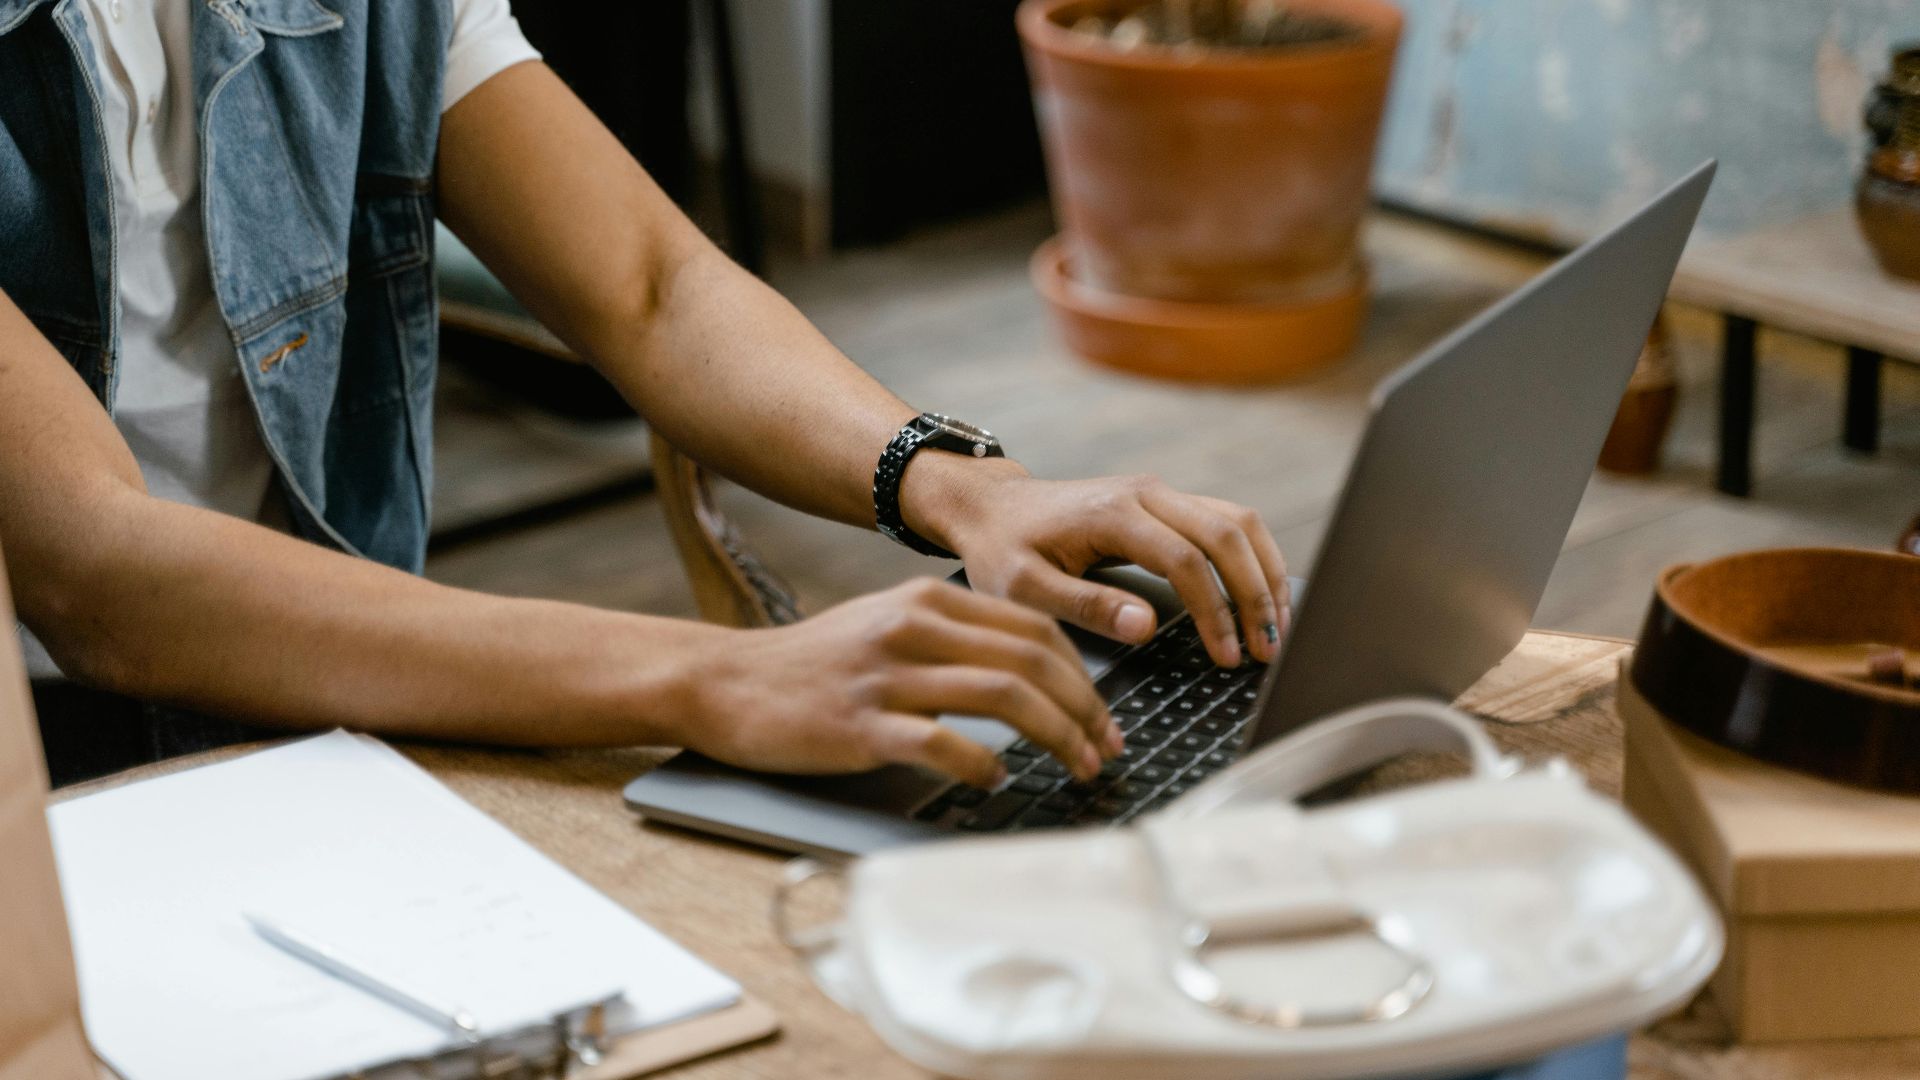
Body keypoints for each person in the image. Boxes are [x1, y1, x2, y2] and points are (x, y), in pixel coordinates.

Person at [0, 0, 1289, 788]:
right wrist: (713, 677)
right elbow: (104, 573)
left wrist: (966, 488)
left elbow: (651, 285)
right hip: (50, 771)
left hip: (320, 698)